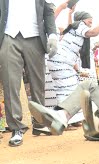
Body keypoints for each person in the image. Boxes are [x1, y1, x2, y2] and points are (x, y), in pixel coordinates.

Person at [0, 0, 58, 147]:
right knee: (10, 84)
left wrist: (52, 34)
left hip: (36, 38)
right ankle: (16, 128)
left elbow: (48, 11)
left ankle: (40, 123)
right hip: (8, 36)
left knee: (38, 84)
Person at [47, 11, 99, 103]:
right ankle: (62, 114)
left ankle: (63, 114)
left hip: (63, 63)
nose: (91, 24)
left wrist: (79, 71)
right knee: (69, 94)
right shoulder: (80, 25)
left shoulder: (74, 30)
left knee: (67, 92)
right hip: (61, 63)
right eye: (89, 21)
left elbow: (72, 57)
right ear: (83, 20)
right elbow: (94, 32)